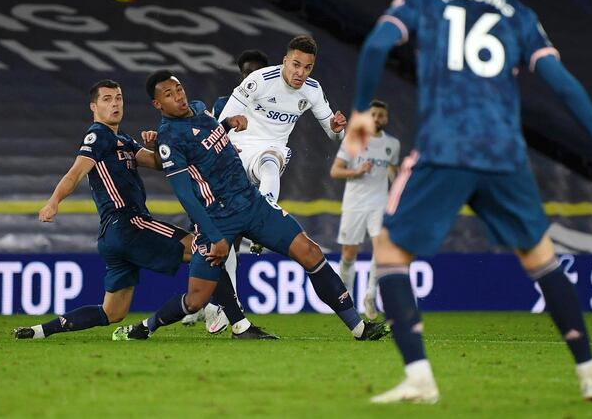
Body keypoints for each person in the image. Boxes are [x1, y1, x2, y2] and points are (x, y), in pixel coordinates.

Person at [344, 0, 592, 403]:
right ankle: (591, 374)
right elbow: (561, 81)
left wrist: (361, 110)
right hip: (504, 153)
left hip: (445, 147)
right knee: (542, 259)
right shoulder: (517, 12)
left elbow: (378, 43)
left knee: (391, 254)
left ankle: (419, 377)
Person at [112, 71, 389, 342]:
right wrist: (215, 237)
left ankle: (359, 328)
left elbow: (207, 139)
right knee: (196, 300)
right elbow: (185, 194)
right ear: (158, 105)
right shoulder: (170, 138)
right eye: (169, 95)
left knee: (311, 252)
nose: (179, 97)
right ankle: (145, 328)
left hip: (252, 203)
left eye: (179, 89)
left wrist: (228, 124)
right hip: (218, 218)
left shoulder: (199, 110)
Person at [13, 79, 260, 339]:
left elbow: (159, 163)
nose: (115, 103)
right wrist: (53, 202)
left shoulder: (121, 140)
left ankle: (40, 331)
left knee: (112, 312)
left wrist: (156, 144)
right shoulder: (97, 136)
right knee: (205, 247)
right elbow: (75, 173)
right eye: (107, 99)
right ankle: (230, 317)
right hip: (129, 223)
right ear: (93, 106)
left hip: (112, 236)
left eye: (118, 97)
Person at [184, 49, 272, 331]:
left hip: (252, 181)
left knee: (224, 244)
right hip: (222, 183)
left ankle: (215, 306)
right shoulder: (226, 104)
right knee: (213, 243)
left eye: (256, 72)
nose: (250, 77)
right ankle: (210, 305)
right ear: (241, 75)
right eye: (246, 73)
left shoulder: (275, 105)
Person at [216, 35, 347, 206]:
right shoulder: (260, 80)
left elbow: (334, 134)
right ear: (285, 61)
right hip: (237, 150)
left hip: (271, 149)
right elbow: (220, 124)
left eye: (308, 68)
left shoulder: (312, 90)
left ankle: (264, 217)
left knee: (270, 165)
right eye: (296, 65)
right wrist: (223, 148)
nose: (301, 73)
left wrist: (337, 130)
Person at [330, 99, 399, 319]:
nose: (378, 118)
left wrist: (396, 195)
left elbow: (393, 172)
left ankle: (370, 294)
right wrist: (357, 171)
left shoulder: (392, 144)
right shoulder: (353, 139)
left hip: (379, 203)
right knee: (349, 253)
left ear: (386, 118)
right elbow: (335, 171)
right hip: (355, 204)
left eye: (381, 115)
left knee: (381, 248)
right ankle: (346, 300)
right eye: (374, 114)